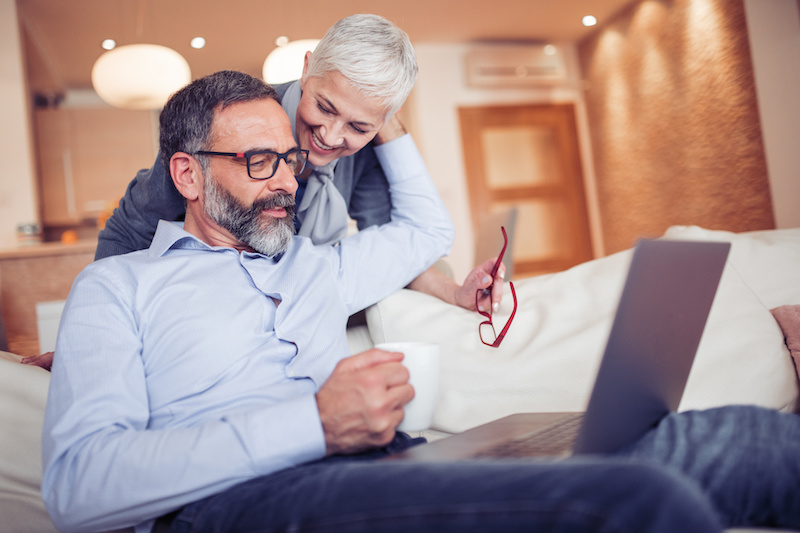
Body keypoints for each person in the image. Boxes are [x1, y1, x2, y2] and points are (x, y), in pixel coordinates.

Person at [41, 70, 732, 533]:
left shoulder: (317, 267)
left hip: (383, 465)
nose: (286, 181)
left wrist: (388, 119)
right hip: (239, 503)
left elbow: (427, 232)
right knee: (644, 497)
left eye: (289, 159)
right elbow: (77, 485)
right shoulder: (117, 287)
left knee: (708, 439)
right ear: (188, 174)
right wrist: (313, 423)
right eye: (259, 162)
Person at [95, 13, 504, 314]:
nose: (330, 135)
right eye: (324, 107)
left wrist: (454, 293)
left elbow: (395, 248)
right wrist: (101, 328)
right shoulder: (236, 122)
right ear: (307, 68)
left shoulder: (364, 156)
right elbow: (130, 228)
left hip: (301, 309)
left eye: (359, 126)